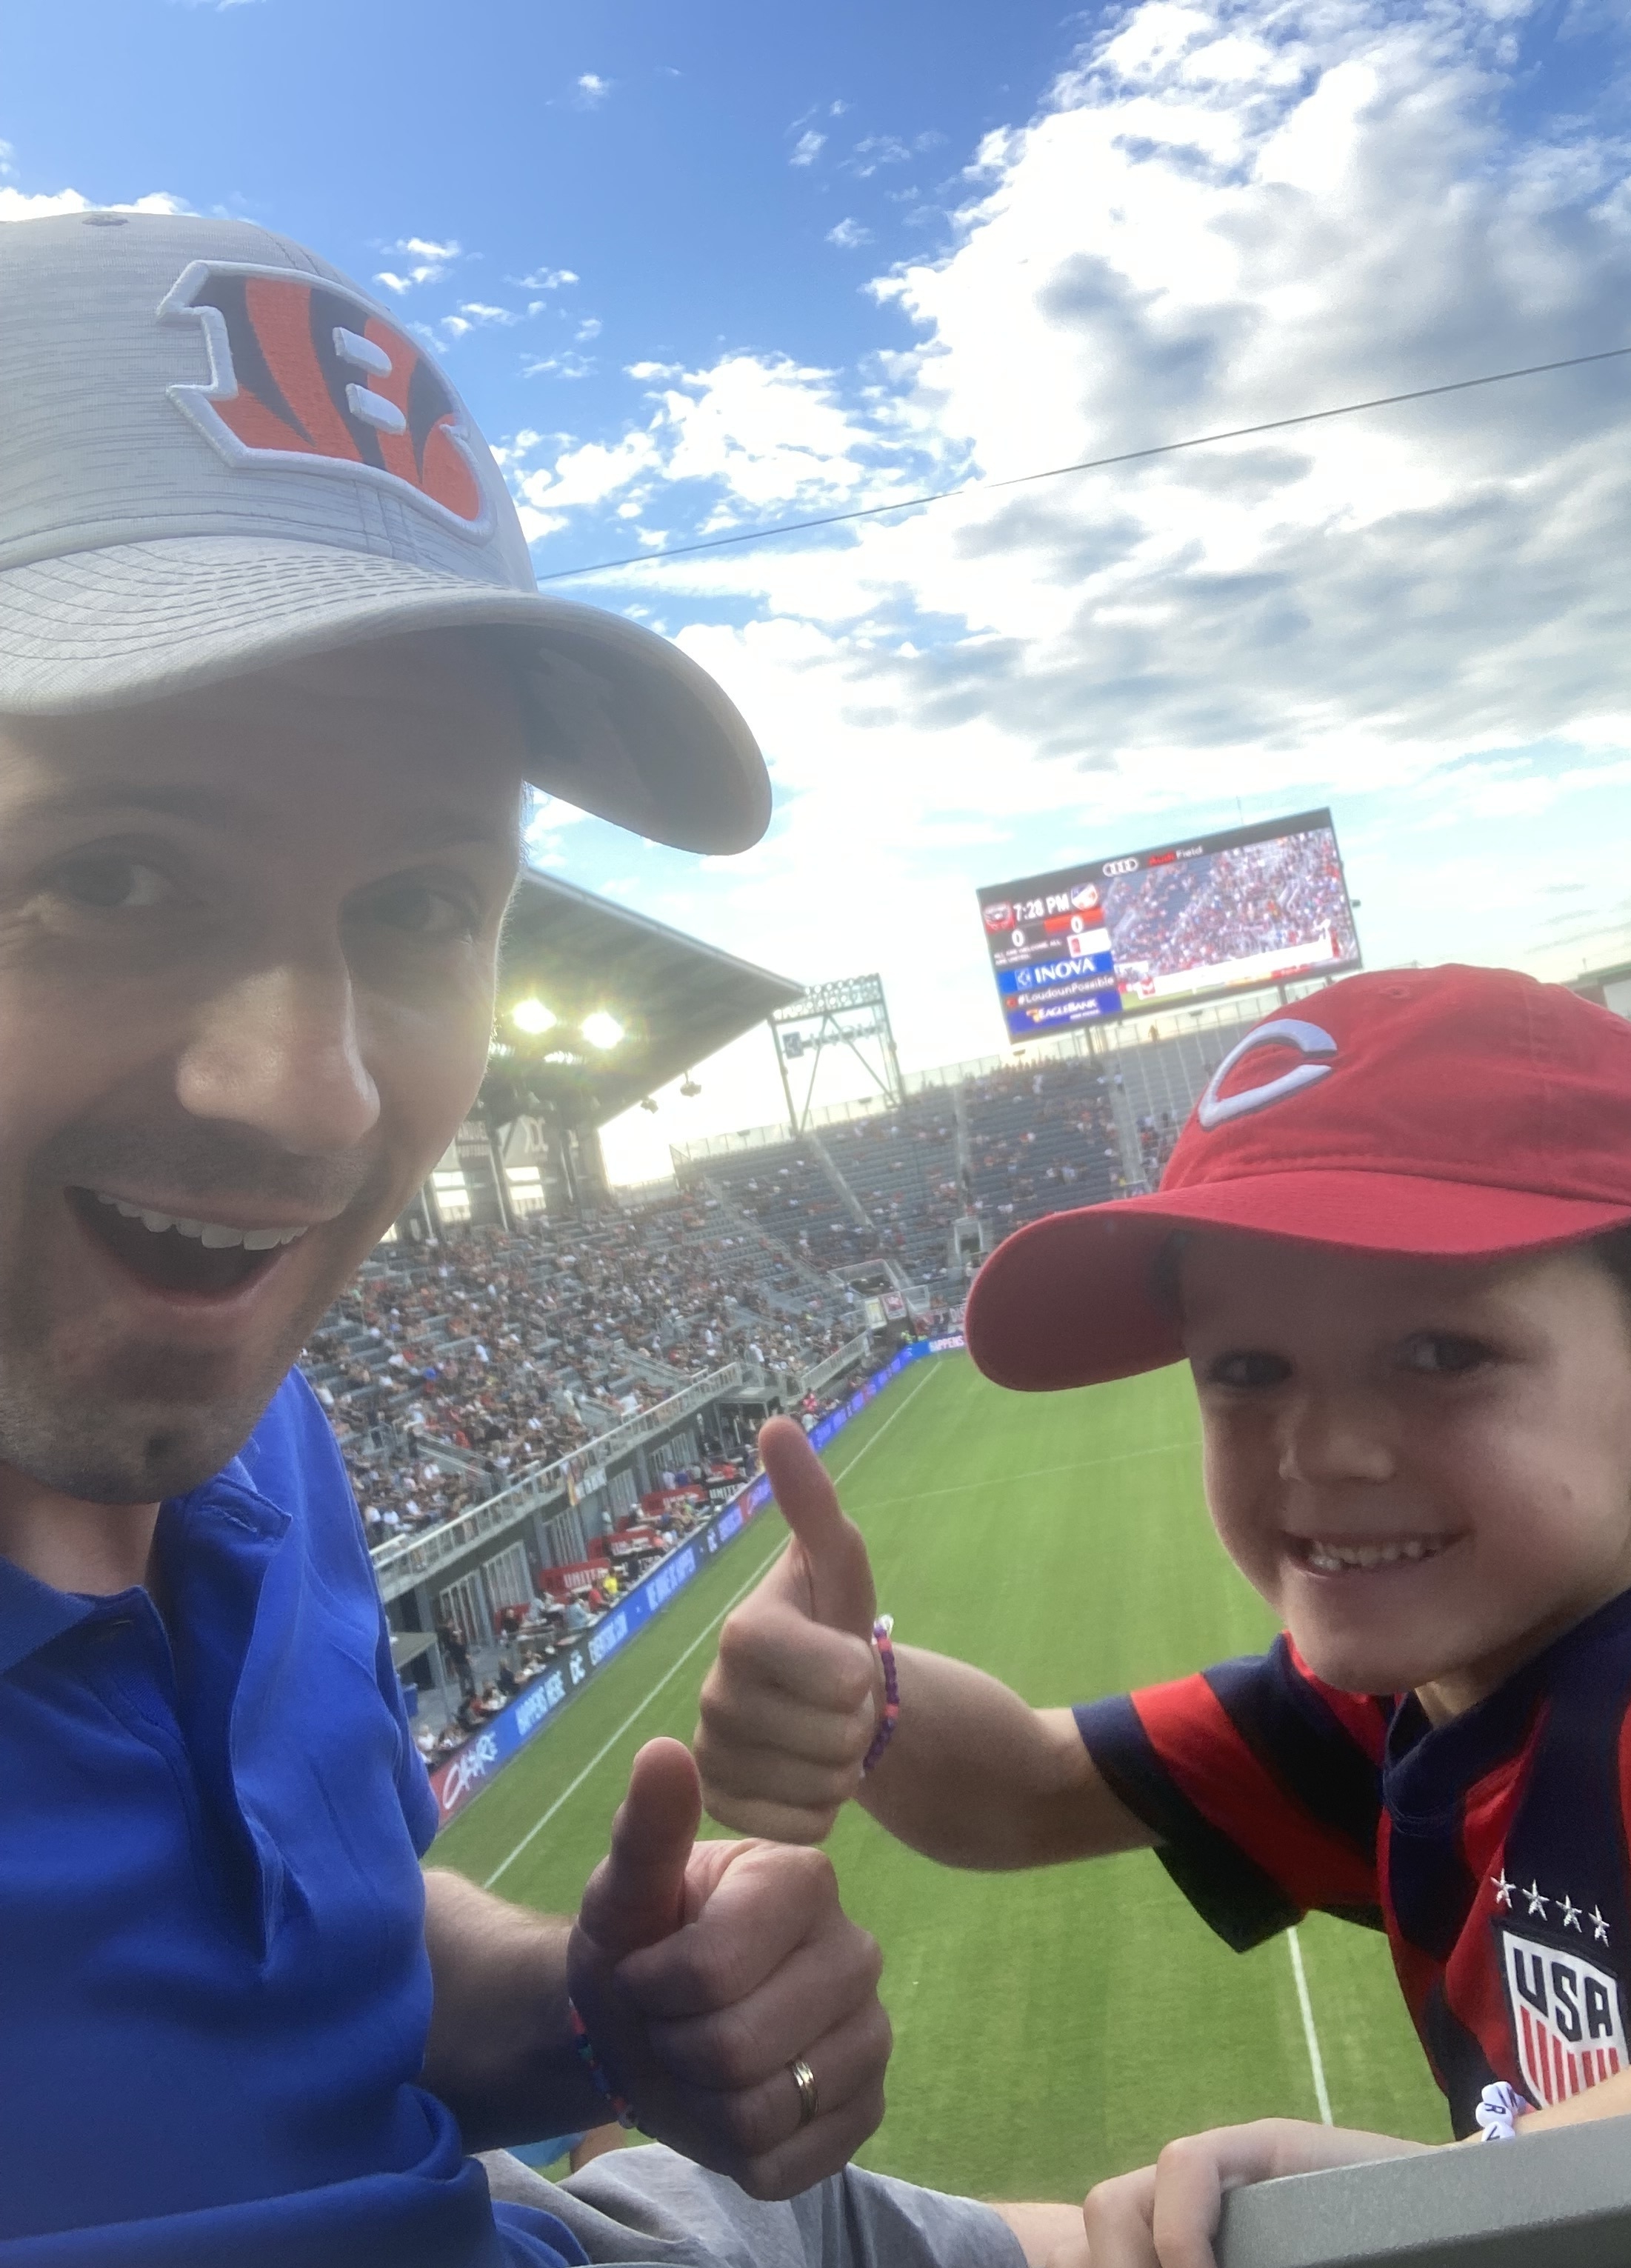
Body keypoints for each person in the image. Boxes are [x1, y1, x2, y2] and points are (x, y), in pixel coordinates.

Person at [0, 211, 1074, 2268]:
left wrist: (607, 2004)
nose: (310, 1091)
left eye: (420, 903)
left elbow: (311, 1975)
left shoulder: (258, 1418)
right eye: (115, 874)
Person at [696, 964, 1631, 2264]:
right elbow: (1026, 1787)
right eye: (1246, 1370)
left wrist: (1455, 2204)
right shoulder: (1384, 1713)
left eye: (1441, 1352)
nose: (1323, 1448)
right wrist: (859, 1691)